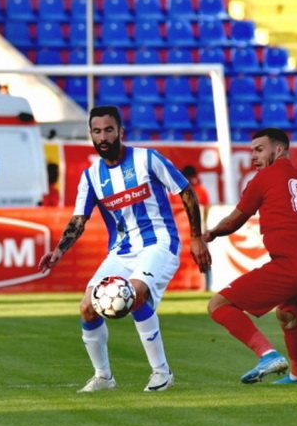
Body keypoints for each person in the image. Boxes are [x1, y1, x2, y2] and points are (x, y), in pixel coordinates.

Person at [38, 106, 211, 393]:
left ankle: (161, 372)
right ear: (91, 135)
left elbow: (186, 191)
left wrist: (196, 238)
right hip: (122, 250)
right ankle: (103, 377)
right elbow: (79, 219)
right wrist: (58, 252)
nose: (103, 137)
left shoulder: (147, 159)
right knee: (87, 308)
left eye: (108, 130)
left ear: (121, 132)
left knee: (135, 292)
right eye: (97, 131)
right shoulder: (91, 176)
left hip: (159, 243)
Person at [203, 128, 297, 385]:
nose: (253, 156)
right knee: (288, 316)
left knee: (218, 305)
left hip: (289, 267)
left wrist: (213, 232)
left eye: (259, 150)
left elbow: (234, 221)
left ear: (279, 150)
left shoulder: (265, 177)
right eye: (252, 151)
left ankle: (267, 355)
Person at [181, 165, 212, 290]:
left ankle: (204, 284)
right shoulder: (176, 192)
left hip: (194, 233)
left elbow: (207, 209)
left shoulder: (200, 191)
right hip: (184, 233)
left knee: (201, 257)